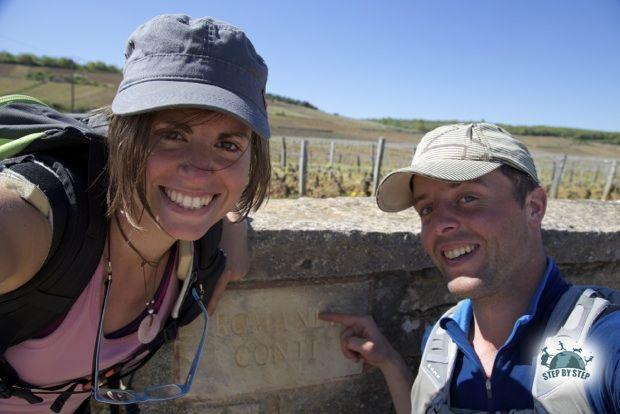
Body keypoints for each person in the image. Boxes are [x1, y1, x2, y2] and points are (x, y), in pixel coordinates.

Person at [0, 14, 271, 413]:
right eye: (171, 135)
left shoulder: (198, 255)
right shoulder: (45, 218)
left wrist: (233, 216)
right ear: (123, 135)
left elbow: (230, 240)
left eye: (228, 144)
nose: (198, 170)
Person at [321, 123, 620, 413]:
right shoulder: (442, 340)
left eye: (467, 198)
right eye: (427, 209)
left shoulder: (604, 342)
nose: (439, 224)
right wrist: (389, 362)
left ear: (533, 207)